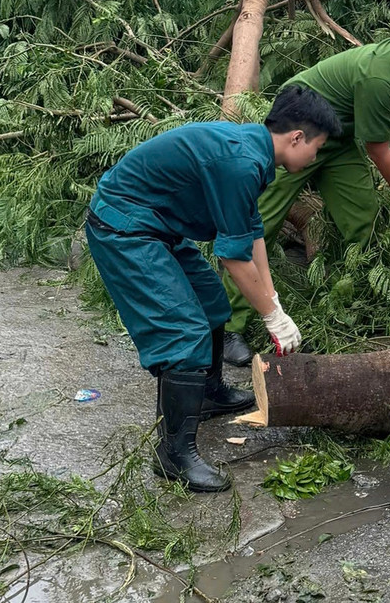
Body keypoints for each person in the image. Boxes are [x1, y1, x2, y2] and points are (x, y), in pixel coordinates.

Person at [85, 86, 341, 492]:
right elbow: (233, 258)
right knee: (183, 332)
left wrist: (274, 303)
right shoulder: (241, 163)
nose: (315, 157)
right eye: (317, 147)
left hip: (158, 226)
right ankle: (174, 455)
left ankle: (208, 393)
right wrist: (271, 318)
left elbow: (252, 233)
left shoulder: (255, 154)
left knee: (212, 305)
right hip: (125, 226)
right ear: (296, 138)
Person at [222, 2, 390, 365]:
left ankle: (351, 301)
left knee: (363, 219)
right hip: (296, 133)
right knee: (258, 221)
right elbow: (378, 149)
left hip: (339, 139)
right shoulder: (378, 76)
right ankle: (229, 325)